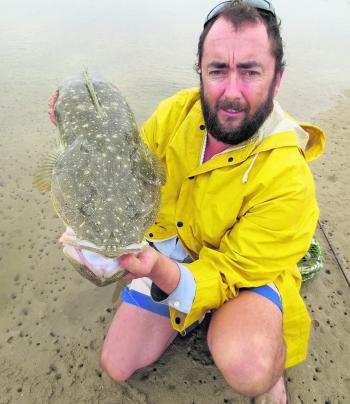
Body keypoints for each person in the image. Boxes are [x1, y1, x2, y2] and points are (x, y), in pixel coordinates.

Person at [51, 1, 325, 402]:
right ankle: (192, 309)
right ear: (200, 70)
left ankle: (268, 365)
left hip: (241, 278)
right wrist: (77, 132)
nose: (231, 91)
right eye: (218, 70)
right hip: (175, 253)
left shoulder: (289, 179)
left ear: (277, 79)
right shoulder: (176, 114)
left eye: (250, 71)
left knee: (249, 365)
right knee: (117, 362)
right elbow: (127, 169)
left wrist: (159, 270)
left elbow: (233, 273)